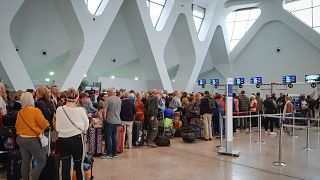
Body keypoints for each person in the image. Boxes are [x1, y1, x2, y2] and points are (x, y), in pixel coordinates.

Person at [56, 87, 89, 180]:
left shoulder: (59, 109)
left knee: (65, 166)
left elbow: (57, 127)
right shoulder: (81, 110)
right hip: (77, 139)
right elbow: (86, 126)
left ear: (66, 97)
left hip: (62, 140)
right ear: (77, 97)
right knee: (79, 166)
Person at [15, 92, 49, 180]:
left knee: (25, 161)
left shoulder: (20, 112)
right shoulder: (35, 111)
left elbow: (16, 126)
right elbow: (44, 124)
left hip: (20, 139)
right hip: (31, 140)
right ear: (31, 100)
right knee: (41, 161)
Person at [101, 88, 122, 159]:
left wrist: (104, 118)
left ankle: (109, 154)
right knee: (114, 136)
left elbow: (105, 110)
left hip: (109, 120)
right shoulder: (119, 99)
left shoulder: (108, 99)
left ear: (110, 92)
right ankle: (114, 153)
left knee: (108, 136)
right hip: (117, 120)